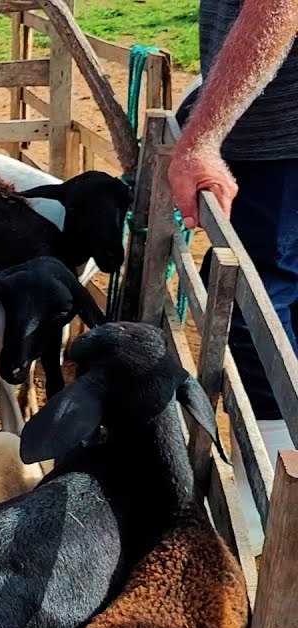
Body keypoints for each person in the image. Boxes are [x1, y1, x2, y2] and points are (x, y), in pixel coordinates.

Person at [170, 0, 298, 462]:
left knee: (254, 303)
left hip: (278, 142)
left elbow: (276, 8)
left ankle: (273, 478)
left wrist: (202, 136)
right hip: (269, 136)